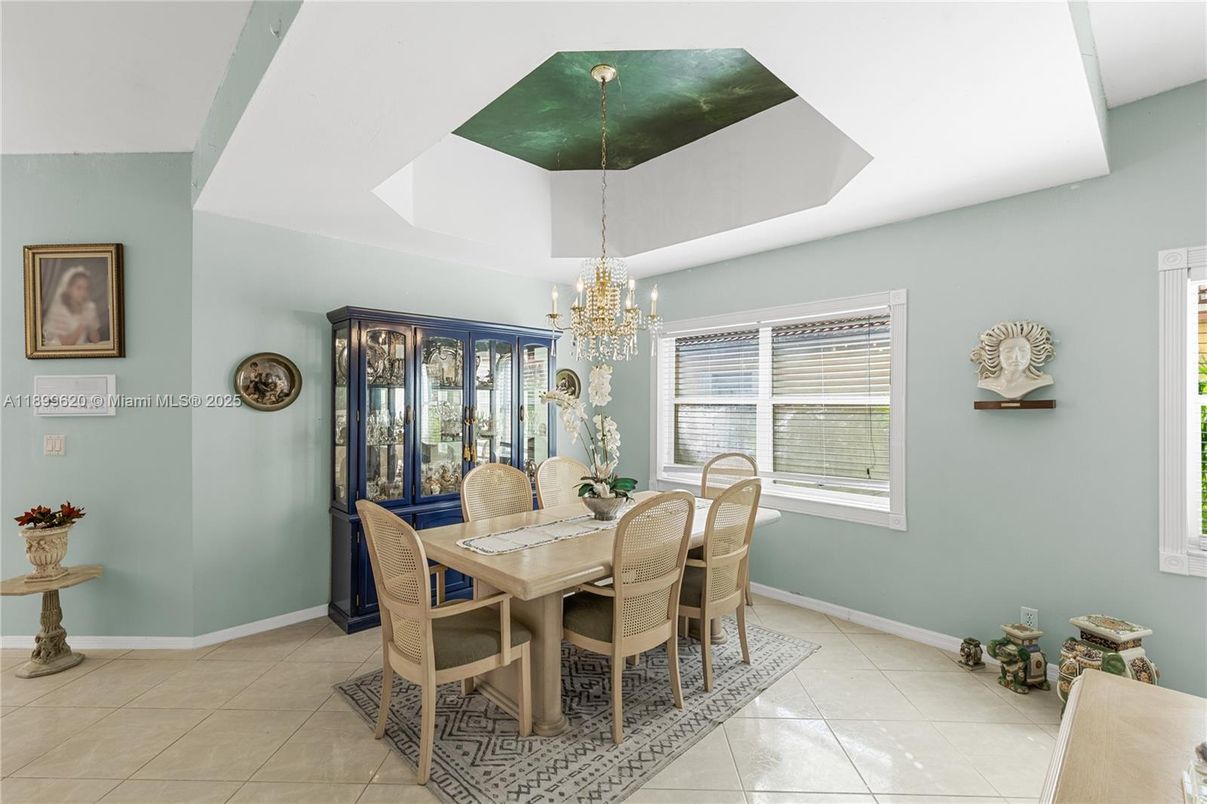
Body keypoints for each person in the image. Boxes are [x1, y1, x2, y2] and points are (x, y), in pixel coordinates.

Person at [42, 266, 103, 347]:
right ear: (68, 289)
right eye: (79, 288)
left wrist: (91, 322)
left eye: (86, 288)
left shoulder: (89, 307)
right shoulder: (59, 310)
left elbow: (96, 340)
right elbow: (65, 344)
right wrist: (83, 323)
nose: (83, 293)